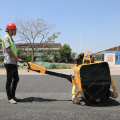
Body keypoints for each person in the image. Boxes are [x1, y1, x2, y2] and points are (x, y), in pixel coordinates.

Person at [2, 23, 23, 104]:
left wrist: (18, 57)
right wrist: (17, 58)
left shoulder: (11, 39)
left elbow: (13, 50)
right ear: (10, 30)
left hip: (13, 62)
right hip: (9, 62)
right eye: (15, 30)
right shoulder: (6, 38)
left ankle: (13, 96)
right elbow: (8, 50)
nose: (16, 31)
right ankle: (9, 98)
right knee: (9, 80)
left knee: (16, 79)